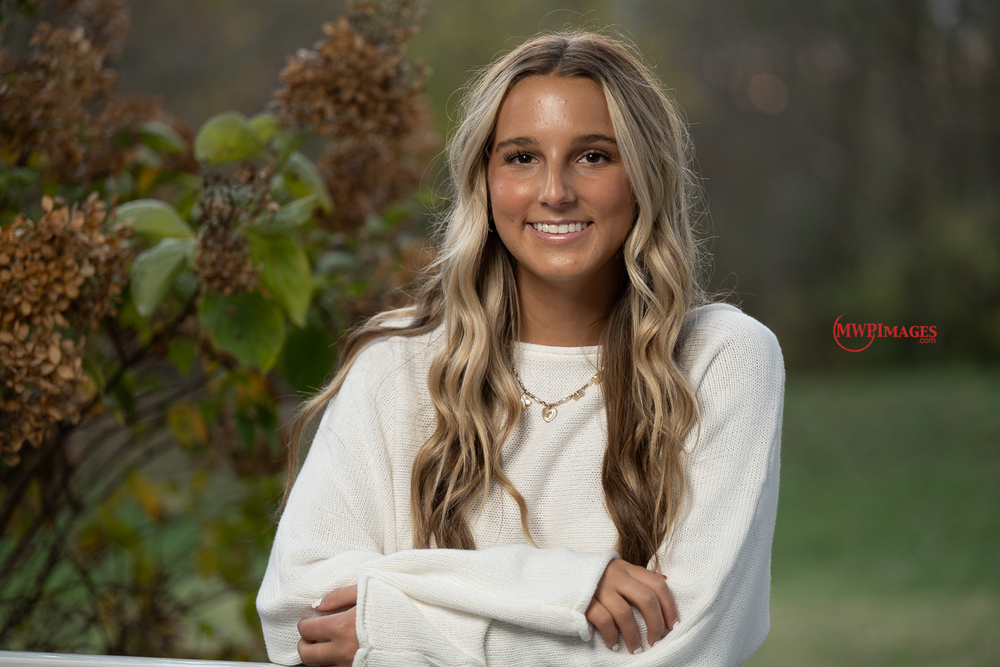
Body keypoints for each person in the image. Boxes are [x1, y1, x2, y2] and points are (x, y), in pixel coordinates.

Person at [257, 29, 784, 667]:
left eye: (594, 156)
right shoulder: (397, 363)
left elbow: (690, 649)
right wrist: (565, 587)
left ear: (645, 175)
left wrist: (396, 633)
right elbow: (297, 613)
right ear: (484, 179)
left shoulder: (722, 359)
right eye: (522, 157)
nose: (555, 191)